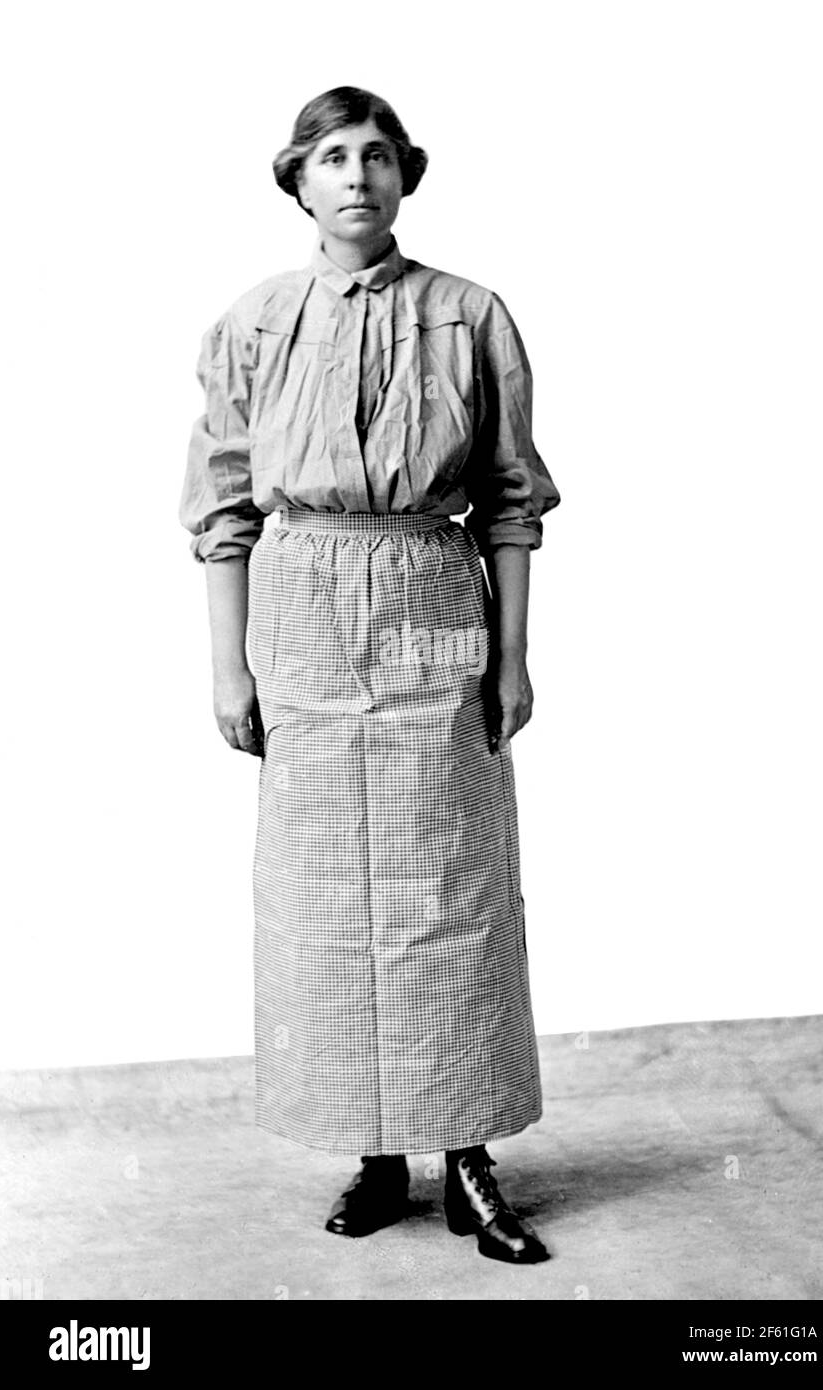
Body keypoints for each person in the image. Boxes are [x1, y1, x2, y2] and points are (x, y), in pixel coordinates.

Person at [178, 86, 561, 1265]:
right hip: (297, 606)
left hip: (429, 594)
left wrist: (511, 652)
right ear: (297, 181)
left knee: (449, 877)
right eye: (334, 157)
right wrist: (229, 667)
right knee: (329, 896)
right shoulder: (253, 324)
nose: (358, 177)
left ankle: (468, 1159)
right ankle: (375, 1151)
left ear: (406, 177)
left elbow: (509, 497)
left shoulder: (470, 316)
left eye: (379, 156)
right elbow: (222, 507)